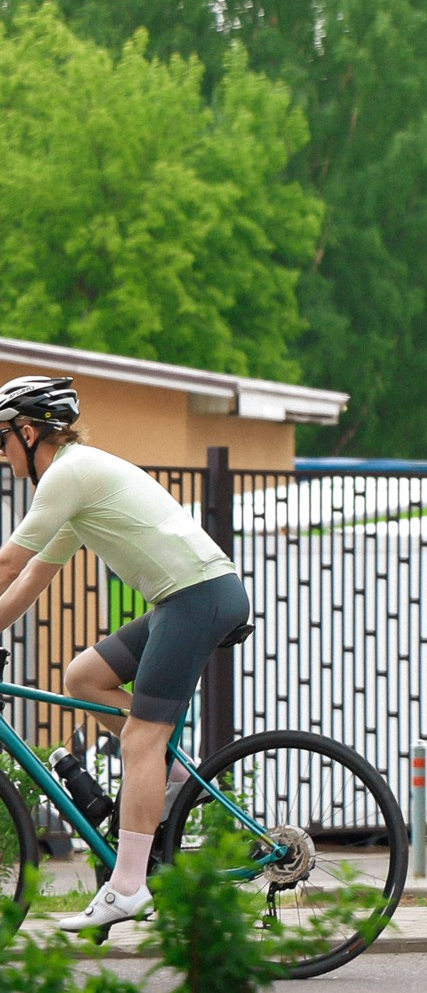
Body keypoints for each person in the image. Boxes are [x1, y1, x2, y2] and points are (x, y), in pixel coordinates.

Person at [0, 376, 253, 930]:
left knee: (141, 737)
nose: (0, 453)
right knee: (84, 676)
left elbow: (7, 565)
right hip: (183, 599)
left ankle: (130, 886)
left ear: (29, 430)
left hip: (198, 597)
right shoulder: (74, 482)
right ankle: (175, 780)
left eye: (2, 439)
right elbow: (30, 583)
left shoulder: (69, 473)